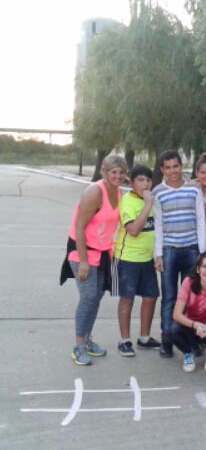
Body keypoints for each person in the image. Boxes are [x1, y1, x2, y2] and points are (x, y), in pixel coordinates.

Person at [60, 154, 127, 366]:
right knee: (88, 297)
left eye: (121, 172)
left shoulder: (117, 192)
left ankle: (87, 340)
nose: (118, 176)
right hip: (83, 251)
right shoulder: (94, 192)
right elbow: (79, 227)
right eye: (113, 172)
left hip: (103, 253)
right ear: (104, 172)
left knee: (96, 297)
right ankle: (78, 346)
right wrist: (83, 261)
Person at [153, 150, 206, 358]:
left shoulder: (194, 190)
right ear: (162, 170)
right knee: (169, 298)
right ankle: (167, 341)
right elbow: (158, 224)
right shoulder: (158, 192)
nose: (173, 171)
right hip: (169, 251)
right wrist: (158, 254)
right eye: (168, 168)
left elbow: (201, 221)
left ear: (181, 166)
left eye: (176, 166)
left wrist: (202, 253)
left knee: (191, 299)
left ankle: (190, 342)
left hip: (192, 250)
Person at [114, 165, 161, 357]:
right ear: (132, 183)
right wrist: (147, 206)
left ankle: (144, 337)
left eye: (148, 180)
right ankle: (125, 340)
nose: (146, 184)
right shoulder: (128, 201)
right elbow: (133, 231)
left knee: (151, 297)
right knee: (127, 298)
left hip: (147, 259)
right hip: (127, 258)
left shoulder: (151, 200)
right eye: (141, 180)